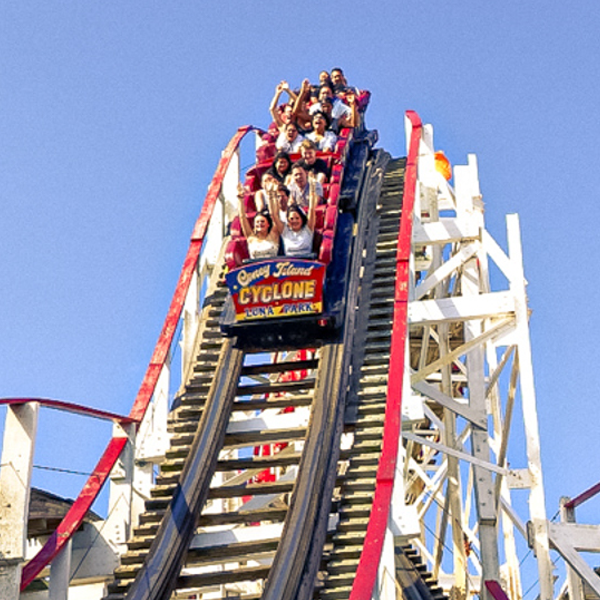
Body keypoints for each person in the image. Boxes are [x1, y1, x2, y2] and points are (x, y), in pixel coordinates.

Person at [272, 174, 318, 257]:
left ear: (302, 219)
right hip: (290, 266)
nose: (294, 221)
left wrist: (312, 189)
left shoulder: (308, 229)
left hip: (306, 264)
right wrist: (272, 194)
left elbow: (312, 209)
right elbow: (274, 215)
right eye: (292, 219)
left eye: (297, 218)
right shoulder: (285, 231)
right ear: (288, 221)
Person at [237, 183, 280, 260]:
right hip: (255, 270)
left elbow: (275, 214)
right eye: (257, 222)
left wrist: (271, 195)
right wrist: (240, 199)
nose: (260, 224)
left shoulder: (273, 235)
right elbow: (242, 217)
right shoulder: (251, 237)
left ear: (268, 224)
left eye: (262, 221)